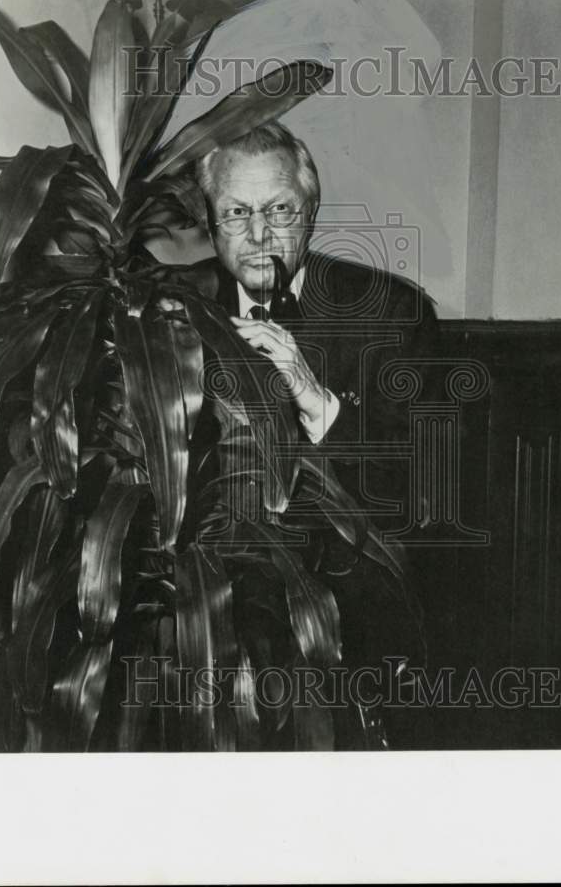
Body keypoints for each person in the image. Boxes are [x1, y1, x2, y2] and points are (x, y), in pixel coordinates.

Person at [182, 121, 440, 748]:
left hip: (346, 639)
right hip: (201, 635)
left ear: (312, 212)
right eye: (236, 212)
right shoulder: (169, 307)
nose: (259, 234)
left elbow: (419, 499)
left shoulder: (392, 313)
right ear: (210, 222)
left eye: (279, 211)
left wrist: (316, 400)